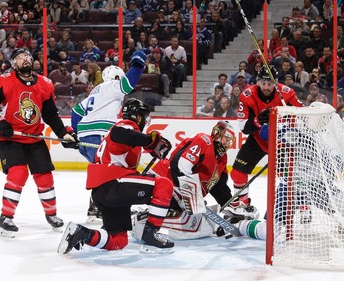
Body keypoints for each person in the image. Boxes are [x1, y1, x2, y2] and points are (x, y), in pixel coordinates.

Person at [0, 48, 79, 238]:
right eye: (19, 58)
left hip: (34, 138)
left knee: (45, 176)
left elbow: (50, 114)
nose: (24, 59)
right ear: (14, 64)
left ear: (32, 61)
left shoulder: (45, 84)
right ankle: (6, 218)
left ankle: (52, 215)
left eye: (26, 56)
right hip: (11, 138)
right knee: (18, 174)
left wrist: (63, 133)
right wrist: (0, 123)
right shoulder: (4, 80)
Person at [58, 98, 174, 255]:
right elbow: (121, 134)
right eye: (144, 118)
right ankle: (151, 234)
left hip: (103, 191)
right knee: (163, 185)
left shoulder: (124, 133)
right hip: (113, 184)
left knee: (119, 241)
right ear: (138, 117)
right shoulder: (124, 126)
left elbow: (128, 142)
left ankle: (81, 233)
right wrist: (150, 142)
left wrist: (151, 145)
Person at [132, 120, 265, 240]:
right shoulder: (204, 140)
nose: (227, 143)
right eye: (226, 138)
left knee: (198, 225)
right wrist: (190, 195)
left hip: (180, 191)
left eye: (230, 140)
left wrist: (231, 205)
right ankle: (142, 219)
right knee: (191, 219)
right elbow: (180, 165)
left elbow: (219, 188)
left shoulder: (222, 159)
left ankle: (150, 217)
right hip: (164, 181)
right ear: (217, 133)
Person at [71, 50, 147, 221]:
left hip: (86, 137)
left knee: (103, 171)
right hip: (98, 136)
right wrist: (138, 64)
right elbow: (127, 84)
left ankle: (97, 208)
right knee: (110, 171)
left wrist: (76, 134)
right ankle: (98, 208)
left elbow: (76, 112)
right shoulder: (112, 87)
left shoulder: (96, 91)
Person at [225, 65, 303, 221]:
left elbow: (303, 116)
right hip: (258, 140)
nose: (266, 87)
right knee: (237, 173)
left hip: (282, 141)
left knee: (288, 178)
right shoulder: (247, 96)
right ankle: (244, 206)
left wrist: (287, 119)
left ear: (276, 83)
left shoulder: (287, 94)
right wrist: (258, 119)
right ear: (257, 82)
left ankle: (299, 206)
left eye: (270, 84)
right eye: (263, 83)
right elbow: (243, 127)